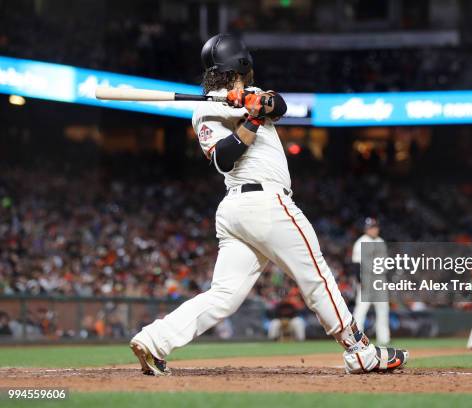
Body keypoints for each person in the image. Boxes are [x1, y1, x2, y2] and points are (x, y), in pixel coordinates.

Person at [129, 34, 408, 375]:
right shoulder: (205, 109)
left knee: (225, 295)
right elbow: (224, 159)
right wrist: (251, 120)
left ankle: (155, 340)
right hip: (263, 204)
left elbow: (280, 105)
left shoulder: (249, 95)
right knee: (317, 276)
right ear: (241, 64)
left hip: (239, 213)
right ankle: (360, 351)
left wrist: (255, 103)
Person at [351, 217, 390, 345]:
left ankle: (384, 339)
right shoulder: (360, 242)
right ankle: (356, 338)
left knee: (383, 310)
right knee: (361, 310)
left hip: (380, 280)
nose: (373, 229)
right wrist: (359, 281)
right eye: (371, 227)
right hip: (366, 280)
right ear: (366, 229)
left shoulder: (381, 242)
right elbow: (356, 264)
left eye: (375, 227)